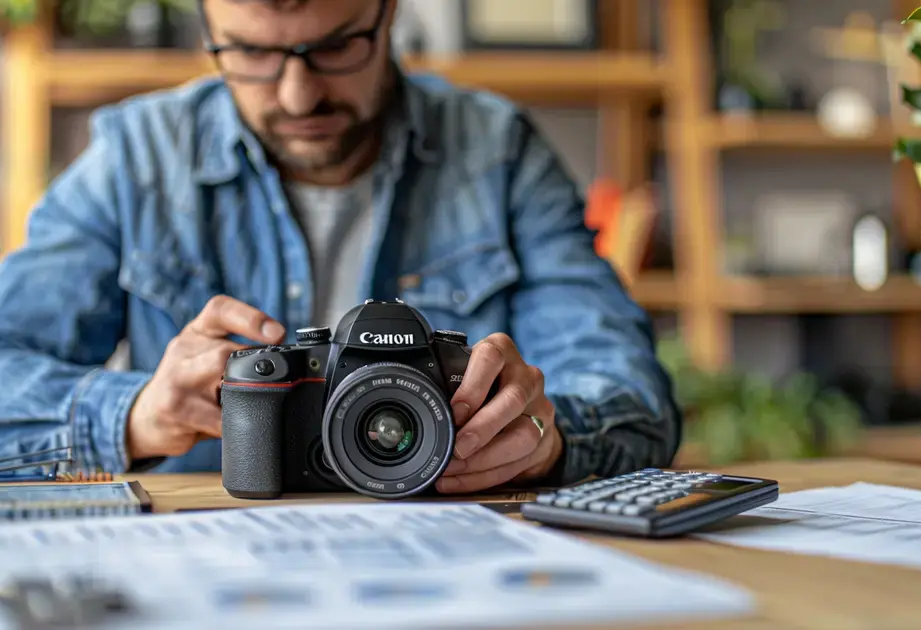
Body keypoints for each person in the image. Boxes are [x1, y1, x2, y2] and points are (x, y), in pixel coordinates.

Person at [0, 0, 681, 494]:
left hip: (455, 558)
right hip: (208, 559)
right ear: (208, 28)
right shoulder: (137, 159)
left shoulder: (496, 153)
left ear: (388, 14)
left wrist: (548, 438)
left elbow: (633, 395)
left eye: (334, 46)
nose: (298, 95)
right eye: (253, 53)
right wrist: (134, 414)